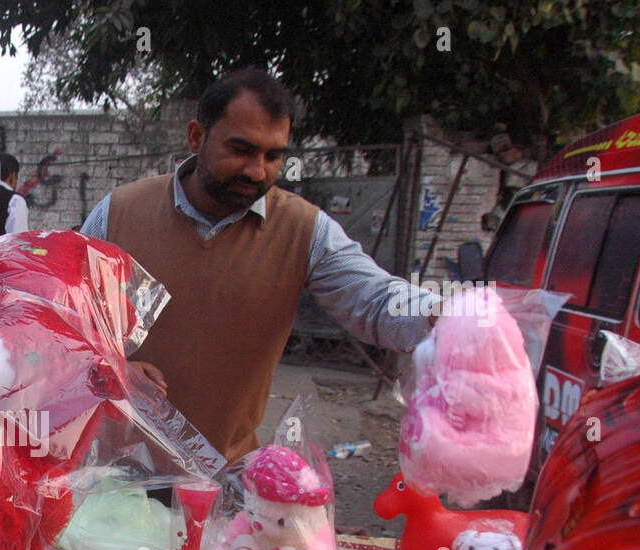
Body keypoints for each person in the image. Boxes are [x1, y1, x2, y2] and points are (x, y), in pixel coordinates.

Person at [80, 68, 436, 463]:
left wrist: (450, 318)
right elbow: (62, 324)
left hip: (225, 477)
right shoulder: (119, 213)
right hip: (112, 477)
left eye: (273, 156)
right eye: (241, 150)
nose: (257, 171)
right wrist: (113, 368)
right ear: (196, 137)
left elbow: (372, 298)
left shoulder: (304, 229)